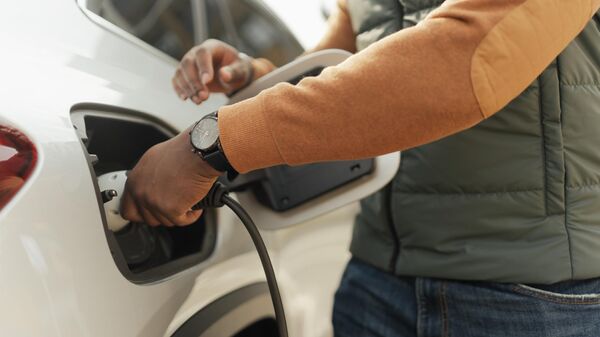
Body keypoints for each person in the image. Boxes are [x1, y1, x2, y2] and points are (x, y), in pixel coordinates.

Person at [121, 0, 600, 335]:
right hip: (376, 280)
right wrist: (256, 79)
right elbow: (343, 78)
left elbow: (463, 63)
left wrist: (213, 143)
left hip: (526, 297)